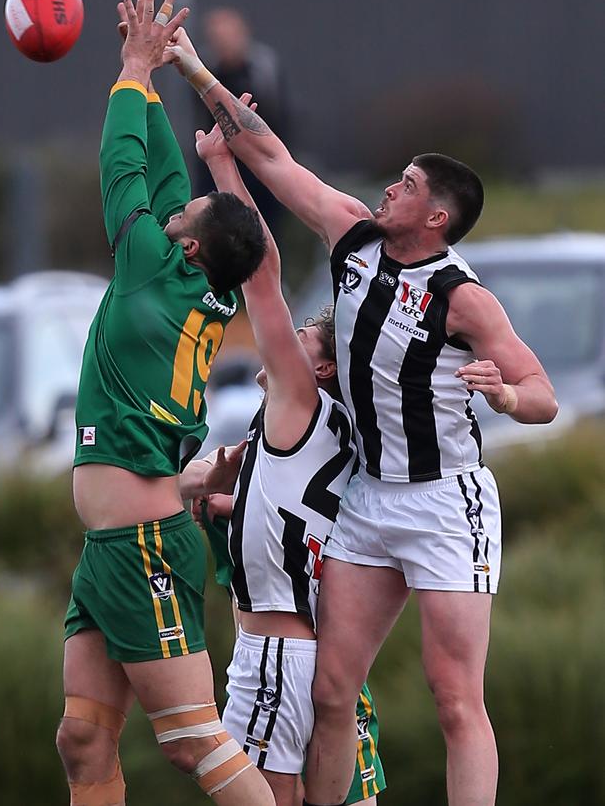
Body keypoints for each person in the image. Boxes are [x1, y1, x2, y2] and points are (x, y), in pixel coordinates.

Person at [168, 30, 559, 806]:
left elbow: (543, 391)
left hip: (447, 500)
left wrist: (506, 396)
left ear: (438, 215)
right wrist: (191, 65)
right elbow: (273, 157)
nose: (391, 188)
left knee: (454, 697)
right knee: (332, 688)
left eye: (408, 184)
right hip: (373, 499)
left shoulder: (463, 297)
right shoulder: (353, 235)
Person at [55, 0, 275, 806]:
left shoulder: (152, 265)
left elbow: (124, 171)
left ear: (188, 243)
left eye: (184, 211)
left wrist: (130, 69)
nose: (173, 204)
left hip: (145, 543)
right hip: (110, 551)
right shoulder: (195, 280)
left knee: (190, 740)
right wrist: (148, 83)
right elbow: (165, 170)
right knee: (81, 738)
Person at [181, 106, 386, 806]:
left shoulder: (301, 401)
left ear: (323, 371)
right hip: (295, 650)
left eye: (306, 337)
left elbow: (260, 273)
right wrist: (233, 505)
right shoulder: (319, 427)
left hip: (275, 650)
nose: (289, 338)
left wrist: (220, 166)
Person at [192, 7, 289, 247]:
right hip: (220, 163)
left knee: (265, 237)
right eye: (217, 37)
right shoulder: (207, 70)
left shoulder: (262, 68)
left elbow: (278, 115)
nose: (223, 43)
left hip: (260, 166)